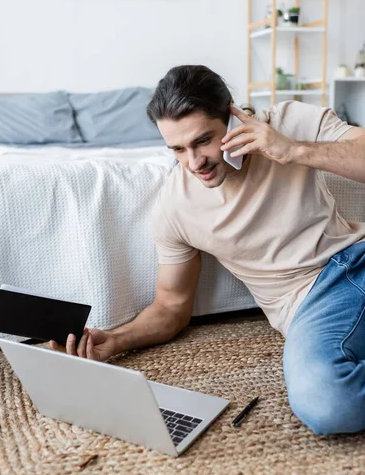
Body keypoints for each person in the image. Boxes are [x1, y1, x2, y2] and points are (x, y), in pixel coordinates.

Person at [51, 65, 365, 436]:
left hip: (355, 257)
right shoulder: (176, 206)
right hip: (312, 300)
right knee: (326, 402)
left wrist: (292, 149)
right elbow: (170, 307)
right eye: (177, 149)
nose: (194, 162)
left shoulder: (287, 122)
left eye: (203, 141)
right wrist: (116, 340)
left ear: (231, 117)